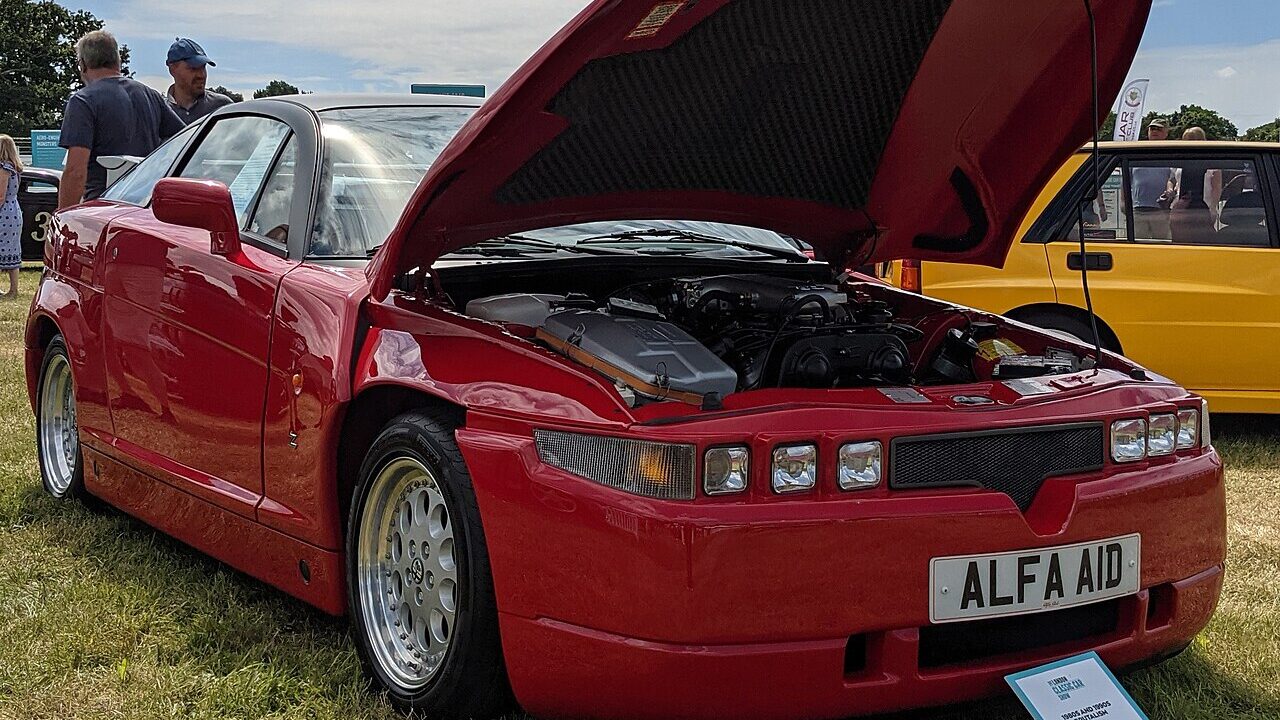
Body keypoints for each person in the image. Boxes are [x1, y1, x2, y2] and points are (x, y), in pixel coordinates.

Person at [58, 30, 185, 209]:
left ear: (83, 65)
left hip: (102, 209)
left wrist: (61, 219)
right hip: (146, 209)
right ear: (117, 60)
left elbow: (75, 171)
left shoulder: (83, 101)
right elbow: (184, 141)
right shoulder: (151, 96)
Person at [1169, 126, 1220, 242]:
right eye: (1186, 139)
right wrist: (1170, 189)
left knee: (1202, 241)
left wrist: (1212, 208)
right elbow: (1173, 180)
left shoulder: (1211, 162)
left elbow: (1216, 187)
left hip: (1203, 210)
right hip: (1180, 210)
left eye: (1192, 139)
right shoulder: (1179, 161)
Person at [165, 38, 234, 124]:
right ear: (173, 69)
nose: (201, 75)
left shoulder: (221, 107)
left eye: (203, 67)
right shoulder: (160, 111)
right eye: (193, 68)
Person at [1129, 117, 1174, 240]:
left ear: (1166, 133)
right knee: (1137, 245)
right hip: (1138, 209)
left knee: (1162, 245)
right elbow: (1126, 181)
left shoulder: (1171, 153)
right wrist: (1124, 202)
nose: (1154, 131)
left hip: (1161, 210)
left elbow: (1173, 178)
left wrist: (1170, 191)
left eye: (1159, 129)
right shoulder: (1137, 152)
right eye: (1152, 128)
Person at [0, 134, 23, 298]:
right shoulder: (14, 167)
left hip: (4, 212)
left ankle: (13, 290)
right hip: (13, 210)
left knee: (4, 248)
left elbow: (1, 195)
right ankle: (13, 289)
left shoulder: (4, 169)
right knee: (12, 249)